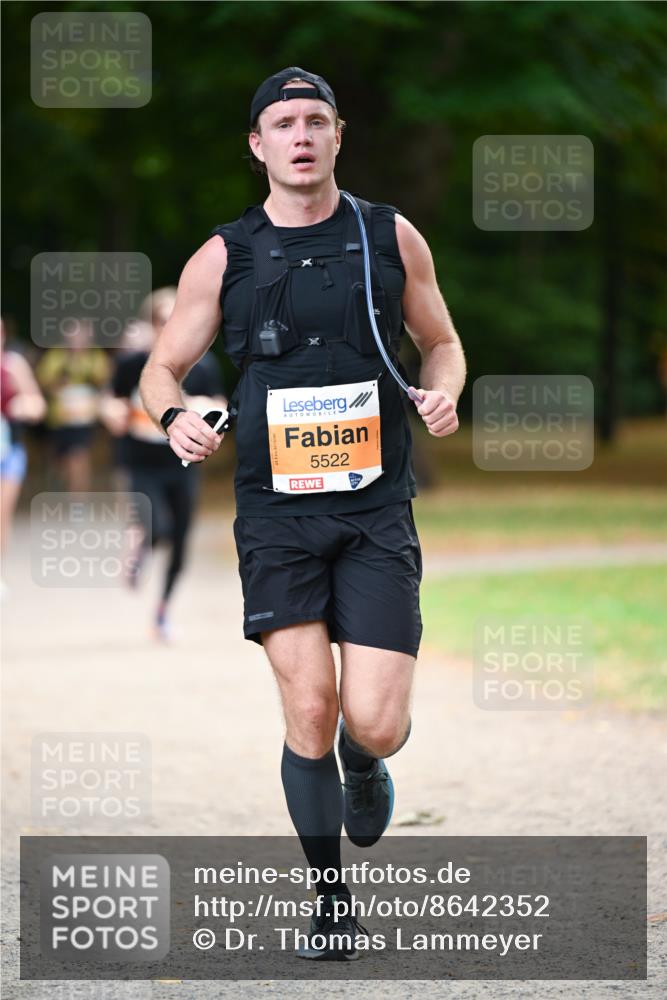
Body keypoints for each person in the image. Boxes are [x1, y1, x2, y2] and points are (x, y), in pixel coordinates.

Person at [140, 67, 466, 959]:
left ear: (336, 135)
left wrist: (441, 394)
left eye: (315, 119)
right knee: (308, 707)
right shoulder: (225, 254)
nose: (300, 134)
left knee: (376, 721)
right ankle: (329, 899)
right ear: (258, 145)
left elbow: (440, 343)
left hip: (373, 511)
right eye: (282, 122)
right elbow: (159, 371)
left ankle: (367, 765)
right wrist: (178, 418)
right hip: (275, 515)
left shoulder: (387, 235)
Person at [106, 288, 227, 640]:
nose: (169, 326)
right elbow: (110, 401)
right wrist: (112, 412)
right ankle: (140, 546)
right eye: (161, 320)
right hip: (141, 462)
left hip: (182, 465)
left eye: (176, 318)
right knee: (157, 525)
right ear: (151, 325)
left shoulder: (203, 366)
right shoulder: (133, 364)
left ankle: (162, 611)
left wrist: (205, 405)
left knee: (181, 540)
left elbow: (219, 403)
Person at [36, 321, 111, 492]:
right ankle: (63, 487)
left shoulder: (94, 355)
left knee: (79, 455)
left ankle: (78, 497)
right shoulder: (57, 355)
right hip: (60, 418)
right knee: (61, 459)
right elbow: (44, 379)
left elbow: (103, 378)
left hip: (84, 417)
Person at [1, 319, 46, 595]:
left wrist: (23, 406)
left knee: (0, 515)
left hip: (9, 452)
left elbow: (37, 404)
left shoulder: (13, 365)